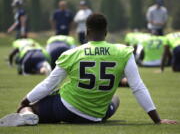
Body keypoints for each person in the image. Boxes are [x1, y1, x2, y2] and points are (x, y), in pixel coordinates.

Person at [0, 13, 177, 126]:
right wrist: (157, 120)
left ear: (87, 31)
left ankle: (27, 115)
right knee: (115, 98)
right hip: (96, 115)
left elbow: (49, 84)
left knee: (32, 106)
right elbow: (137, 87)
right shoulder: (124, 52)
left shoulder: (73, 53)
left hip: (66, 108)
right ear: (106, 32)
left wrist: (25, 101)